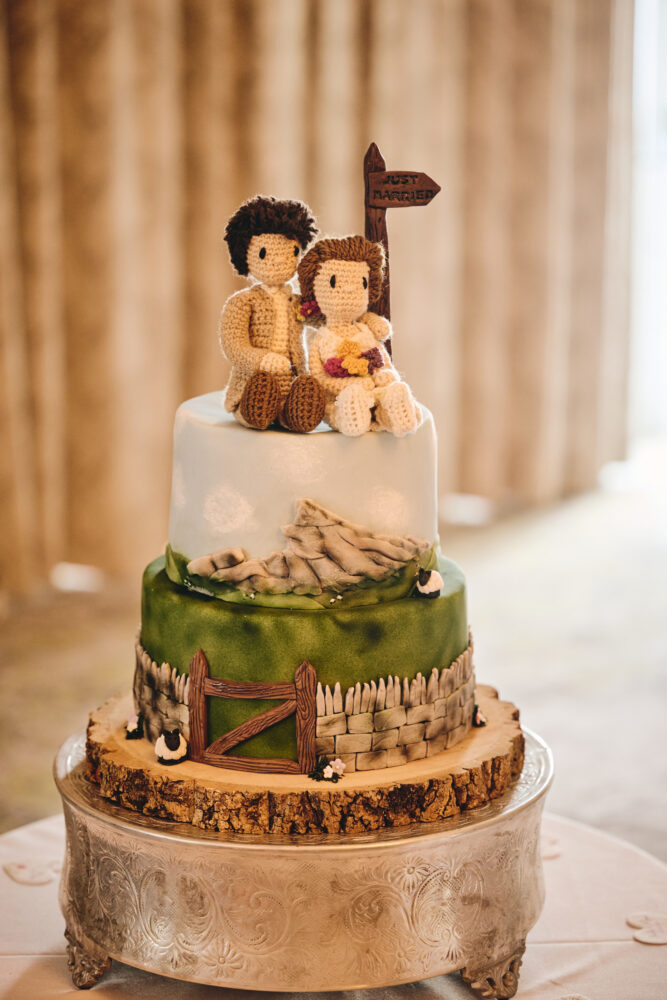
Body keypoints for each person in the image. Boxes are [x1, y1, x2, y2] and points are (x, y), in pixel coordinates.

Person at [298, 236, 421, 437]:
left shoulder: (365, 332)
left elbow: (382, 359)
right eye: (334, 282)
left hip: (374, 389)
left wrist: (386, 375)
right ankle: (353, 415)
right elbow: (319, 377)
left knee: (392, 391)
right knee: (348, 401)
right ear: (316, 291)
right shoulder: (322, 338)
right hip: (340, 398)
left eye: (362, 283)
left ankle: (392, 412)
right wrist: (346, 385)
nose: (349, 290)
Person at [219, 195, 324, 432]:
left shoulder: (297, 302)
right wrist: (261, 360)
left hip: (291, 382)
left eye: (293, 251)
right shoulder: (243, 302)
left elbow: (322, 318)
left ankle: (294, 414)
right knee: (259, 397)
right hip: (254, 379)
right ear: (245, 256)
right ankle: (255, 410)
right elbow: (234, 345)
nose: (280, 261)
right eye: (265, 253)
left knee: (300, 398)